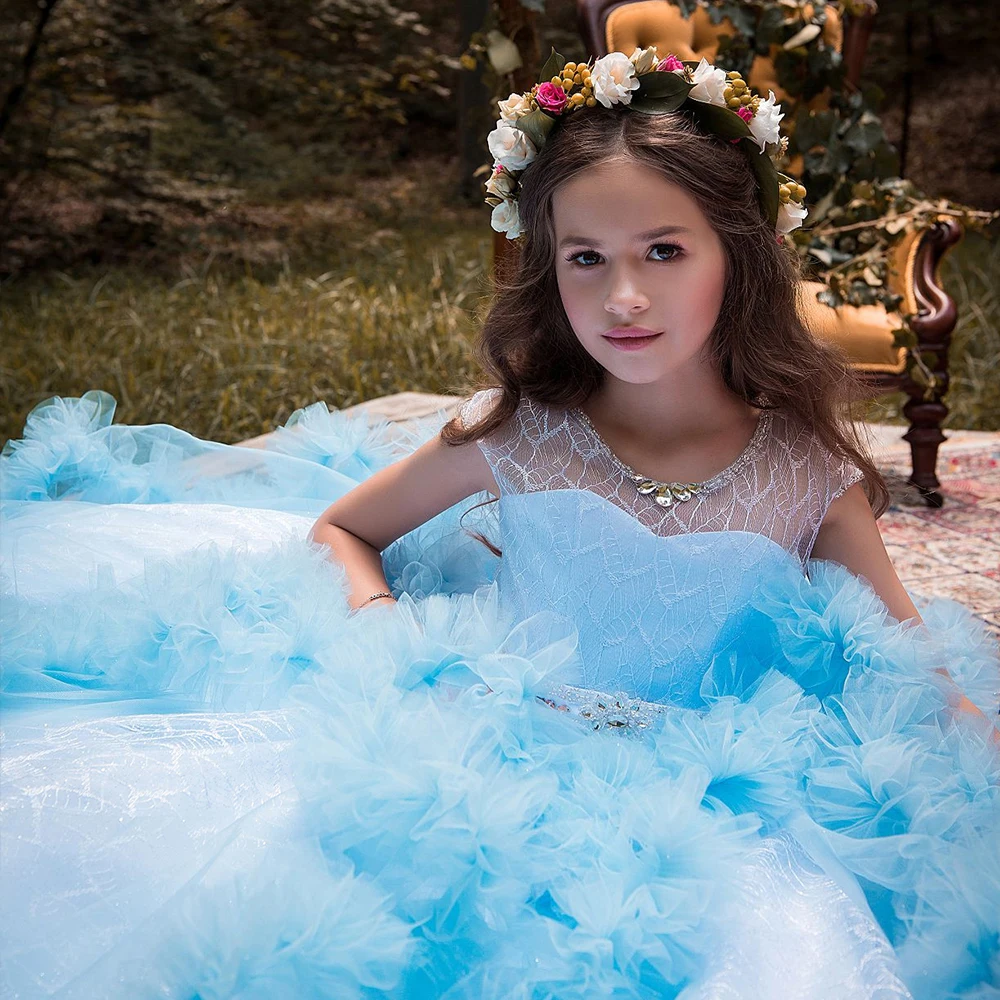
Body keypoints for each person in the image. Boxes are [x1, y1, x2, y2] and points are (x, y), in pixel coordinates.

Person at [1, 46, 998, 1000]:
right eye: (585, 258)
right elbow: (345, 529)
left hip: (706, 804)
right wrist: (382, 619)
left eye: (662, 249)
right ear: (546, 267)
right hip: (489, 758)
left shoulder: (804, 473)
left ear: (737, 258)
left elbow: (919, 670)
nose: (625, 295)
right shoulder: (525, 431)